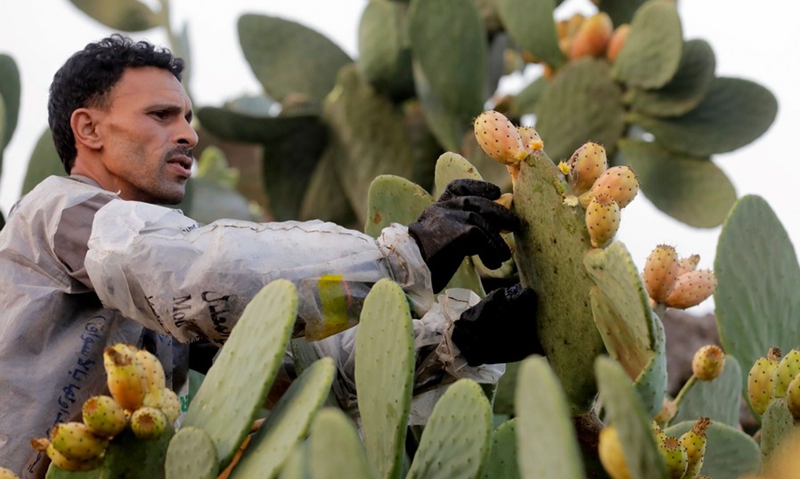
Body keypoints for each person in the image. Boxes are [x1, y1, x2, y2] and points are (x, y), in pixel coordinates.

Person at [0, 34, 541, 476]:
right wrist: (406, 256)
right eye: (162, 115)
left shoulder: (170, 293)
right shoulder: (56, 214)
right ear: (88, 129)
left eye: (188, 117)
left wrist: (458, 339)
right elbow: (194, 274)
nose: (189, 134)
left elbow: (307, 373)